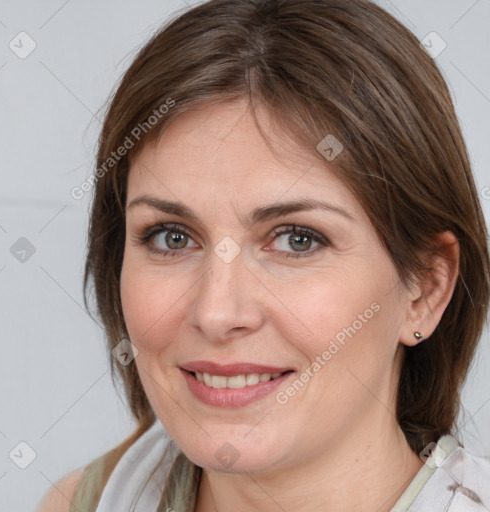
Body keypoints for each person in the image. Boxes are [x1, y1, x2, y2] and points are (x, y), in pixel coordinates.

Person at [36, 0, 490, 510]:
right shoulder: (83, 501)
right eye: (172, 237)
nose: (216, 313)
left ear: (425, 290)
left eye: (298, 239)